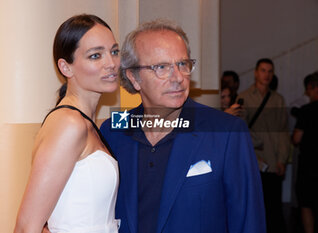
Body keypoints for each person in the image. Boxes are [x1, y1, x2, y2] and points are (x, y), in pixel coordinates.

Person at [100, 19, 266, 233]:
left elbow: (248, 222)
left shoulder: (227, 132)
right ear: (134, 77)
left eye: (182, 64)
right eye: (161, 67)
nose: (178, 77)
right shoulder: (113, 132)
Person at [14, 14, 120, 233]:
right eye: (95, 55)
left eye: (114, 51)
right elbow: (27, 227)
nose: (111, 63)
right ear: (66, 67)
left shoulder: (85, 122)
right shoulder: (69, 124)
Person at [237, 58, 290, 233]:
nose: (266, 75)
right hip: (253, 159)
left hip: (273, 161)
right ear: (255, 72)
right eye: (263, 70)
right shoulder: (243, 97)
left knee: (274, 207)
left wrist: (282, 159)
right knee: (254, 205)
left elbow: (283, 131)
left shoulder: (278, 99)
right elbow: (240, 128)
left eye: (270, 71)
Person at [292, 73, 318, 233]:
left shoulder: (306, 110)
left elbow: (296, 138)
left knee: (307, 204)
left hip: (309, 166)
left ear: (311, 88)